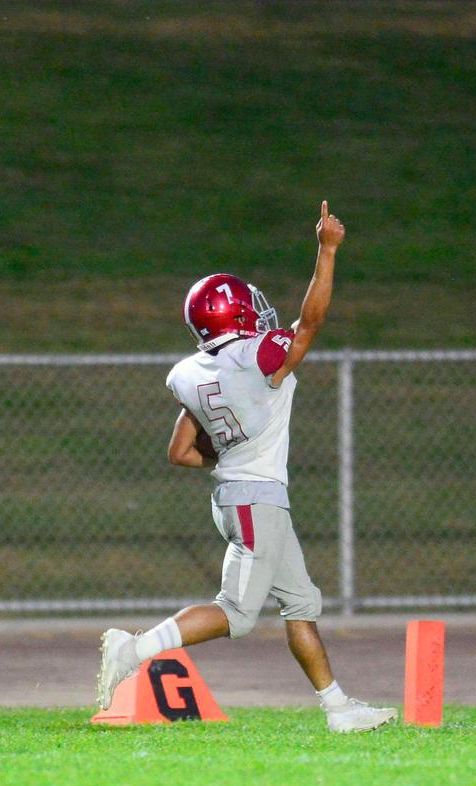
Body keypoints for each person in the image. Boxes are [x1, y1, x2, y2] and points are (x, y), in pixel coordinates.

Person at [97, 201, 396, 733]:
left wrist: (232, 442)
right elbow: (311, 324)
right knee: (235, 613)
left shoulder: (192, 373)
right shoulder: (257, 357)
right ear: (236, 314)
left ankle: (339, 709)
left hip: (242, 497)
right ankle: (135, 649)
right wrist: (327, 250)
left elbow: (182, 451)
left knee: (300, 604)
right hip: (255, 498)